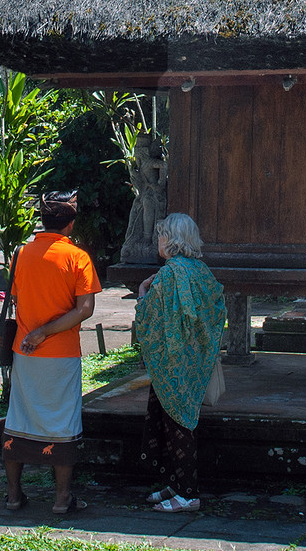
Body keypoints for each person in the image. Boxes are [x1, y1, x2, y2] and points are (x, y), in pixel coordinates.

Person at [2, 189, 100, 515]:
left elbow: (17, 299)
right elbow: (84, 309)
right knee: (62, 425)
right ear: (70, 224)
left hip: (25, 353)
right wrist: (46, 331)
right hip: (60, 353)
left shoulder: (22, 255)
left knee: (20, 420)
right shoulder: (77, 257)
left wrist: (36, 330)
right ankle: (61, 499)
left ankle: (14, 496)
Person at [133, 212, 225, 513]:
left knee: (178, 425)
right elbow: (215, 308)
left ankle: (188, 494)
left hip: (172, 362)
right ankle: (175, 484)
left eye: (161, 235)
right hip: (192, 360)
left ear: (171, 240)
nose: (158, 241)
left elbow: (152, 317)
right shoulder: (200, 270)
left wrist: (142, 293)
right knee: (174, 420)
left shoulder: (171, 273)